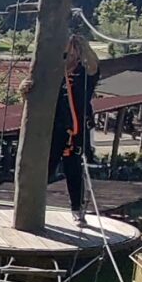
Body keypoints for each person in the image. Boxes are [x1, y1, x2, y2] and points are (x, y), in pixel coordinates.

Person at [52, 32, 101, 217]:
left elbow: (94, 67)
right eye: (66, 56)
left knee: (74, 169)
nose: (69, 59)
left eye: (72, 56)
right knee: (46, 167)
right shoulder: (55, 75)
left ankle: (77, 209)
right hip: (56, 129)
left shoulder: (83, 74)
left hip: (77, 130)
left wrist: (84, 46)